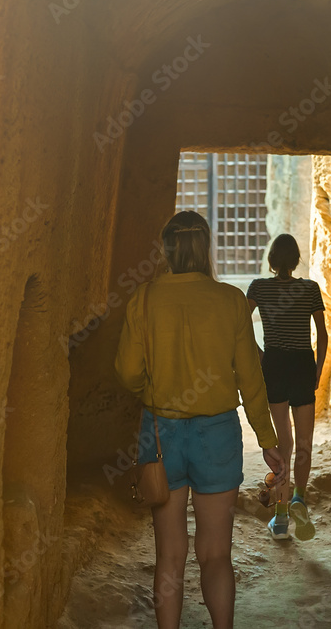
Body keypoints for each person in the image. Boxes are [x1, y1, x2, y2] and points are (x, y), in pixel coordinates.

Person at [115, 210, 288, 629]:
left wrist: (155, 393)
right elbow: (251, 378)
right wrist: (268, 440)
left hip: (161, 436)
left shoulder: (145, 298)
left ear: (167, 250)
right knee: (216, 555)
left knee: (169, 556)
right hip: (217, 436)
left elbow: (126, 370)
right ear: (205, 248)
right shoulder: (229, 301)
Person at [246, 234, 327, 541]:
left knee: (283, 443)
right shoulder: (310, 289)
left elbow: (240, 324)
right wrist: (317, 371)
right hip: (303, 364)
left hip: (275, 366)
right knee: (305, 442)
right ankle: (299, 499)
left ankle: (280, 519)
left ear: (272, 260)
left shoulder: (258, 287)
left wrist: (260, 355)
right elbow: (322, 332)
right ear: (295, 261)